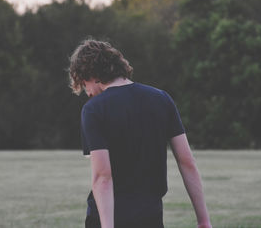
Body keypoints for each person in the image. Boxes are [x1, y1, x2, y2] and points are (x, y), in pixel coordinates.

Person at [68, 39, 212, 228]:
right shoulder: (161, 99)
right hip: (150, 217)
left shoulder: (94, 109)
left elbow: (103, 177)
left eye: (84, 83)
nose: (87, 92)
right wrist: (204, 221)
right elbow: (187, 162)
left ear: (91, 74)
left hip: (106, 219)